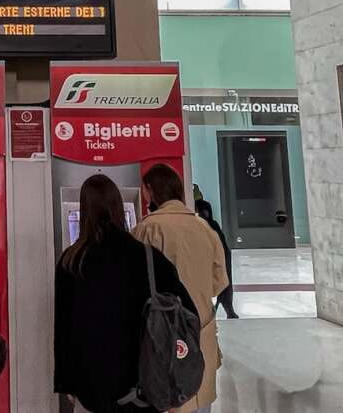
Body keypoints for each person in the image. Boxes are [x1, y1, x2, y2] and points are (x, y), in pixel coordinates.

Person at [55, 175, 196, 413]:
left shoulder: (71, 261)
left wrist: (67, 383)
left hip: (92, 389)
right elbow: (186, 312)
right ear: (119, 207)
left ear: (84, 209)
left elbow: (64, 330)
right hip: (143, 387)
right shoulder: (149, 257)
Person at [133, 165, 230, 413]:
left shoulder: (147, 229)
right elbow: (220, 280)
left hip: (163, 331)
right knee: (199, 397)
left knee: (170, 396)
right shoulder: (204, 227)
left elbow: (135, 284)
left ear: (150, 190)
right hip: (202, 326)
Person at [195, 198, 239, 319]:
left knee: (222, 283)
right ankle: (225, 307)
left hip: (218, 258)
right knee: (224, 283)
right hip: (222, 257)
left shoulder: (207, 225)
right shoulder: (212, 224)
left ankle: (225, 308)